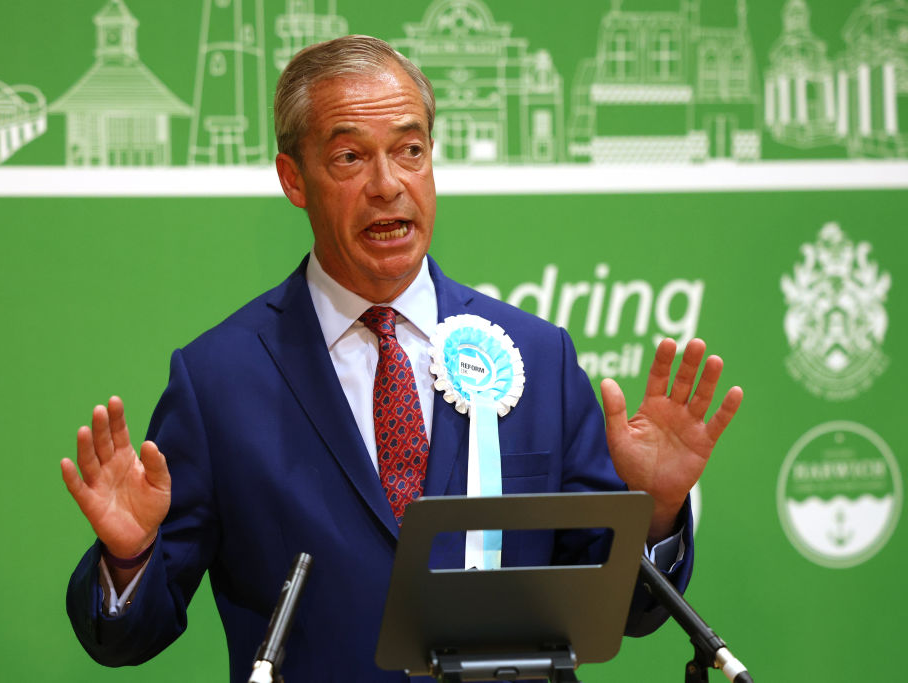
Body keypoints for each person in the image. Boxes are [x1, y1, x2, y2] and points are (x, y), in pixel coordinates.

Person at [60, 35, 742, 681]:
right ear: (294, 179)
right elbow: (128, 636)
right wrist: (129, 558)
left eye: (410, 150)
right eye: (350, 157)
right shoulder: (218, 381)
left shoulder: (539, 358)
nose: (388, 184)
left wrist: (655, 513)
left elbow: (626, 611)